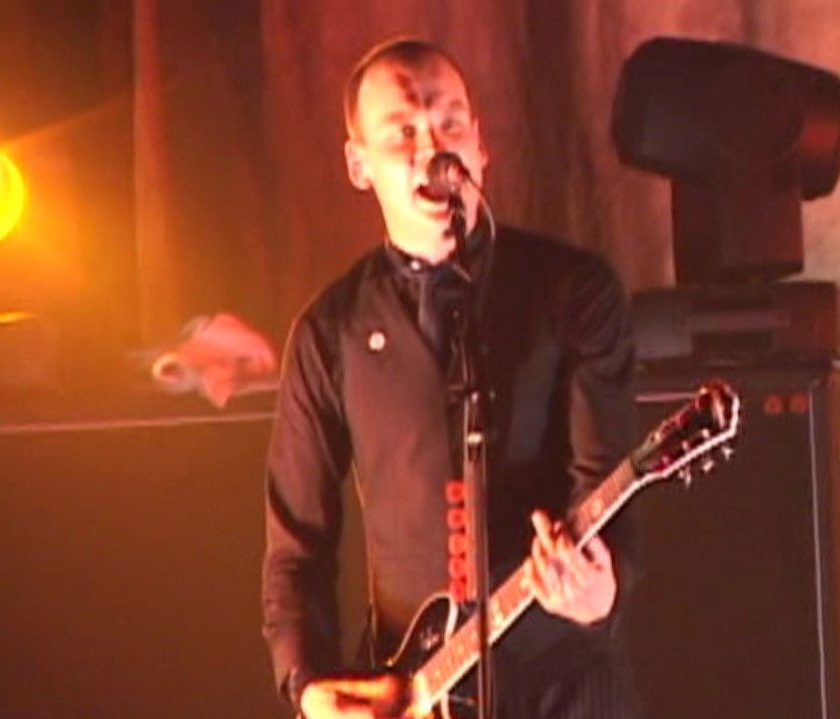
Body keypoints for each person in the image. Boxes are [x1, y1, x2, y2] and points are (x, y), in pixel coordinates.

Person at [261, 37, 640, 719]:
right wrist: (309, 683)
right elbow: (297, 547)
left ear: (480, 144)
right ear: (359, 164)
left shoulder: (573, 290)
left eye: (449, 123)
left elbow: (606, 489)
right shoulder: (331, 330)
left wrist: (599, 595)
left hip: (564, 689)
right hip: (414, 690)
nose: (432, 146)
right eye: (402, 132)